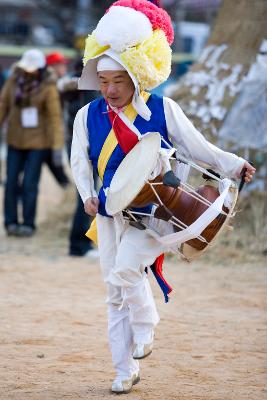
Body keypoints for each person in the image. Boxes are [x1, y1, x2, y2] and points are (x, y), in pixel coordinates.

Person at [70, 0, 256, 394]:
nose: (109, 89)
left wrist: (235, 165)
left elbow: (199, 147)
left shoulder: (164, 109)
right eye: (103, 81)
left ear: (137, 75)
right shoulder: (86, 117)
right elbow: (80, 164)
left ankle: (147, 323)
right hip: (108, 213)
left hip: (155, 213)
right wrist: (87, 195)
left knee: (125, 272)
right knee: (114, 292)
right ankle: (124, 371)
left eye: (117, 80)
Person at [0, 48, 64, 236]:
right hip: (15, 140)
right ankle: (11, 222)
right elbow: (3, 104)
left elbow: (54, 117)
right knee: (11, 182)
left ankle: (28, 224)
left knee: (29, 184)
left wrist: (57, 147)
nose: (29, 72)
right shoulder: (13, 81)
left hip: (39, 143)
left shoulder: (48, 85)